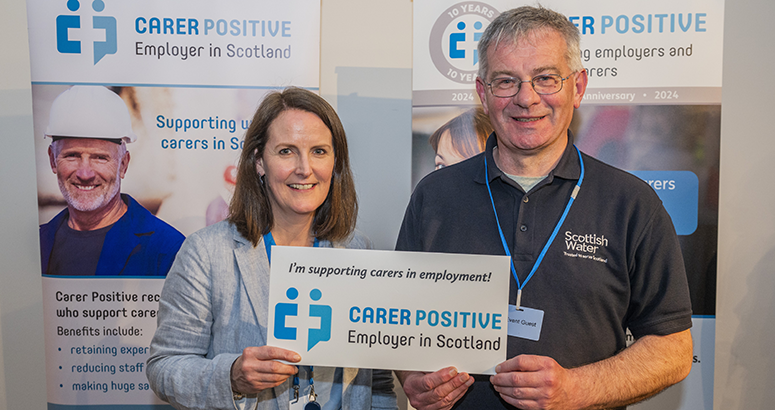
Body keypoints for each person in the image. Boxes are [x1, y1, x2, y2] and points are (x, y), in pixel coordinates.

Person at [395, 6, 693, 410]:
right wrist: (412, 378)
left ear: (579, 86)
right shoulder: (434, 196)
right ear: (483, 94)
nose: (526, 98)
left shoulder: (633, 203)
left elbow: (672, 348)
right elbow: (397, 322)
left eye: (545, 78)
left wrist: (575, 389)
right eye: (506, 81)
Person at [147, 87, 397, 410]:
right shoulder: (206, 254)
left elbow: (376, 381)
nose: (304, 168)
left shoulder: (358, 251)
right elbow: (164, 366)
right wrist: (232, 375)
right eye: (286, 152)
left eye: (319, 151)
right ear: (259, 162)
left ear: (335, 163)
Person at [40, 85, 185, 276]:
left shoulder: (167, 250)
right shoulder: (37, 243)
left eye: (100, 158)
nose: (85, 174)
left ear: (123, 164)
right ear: (53, 160)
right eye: (72, 156)